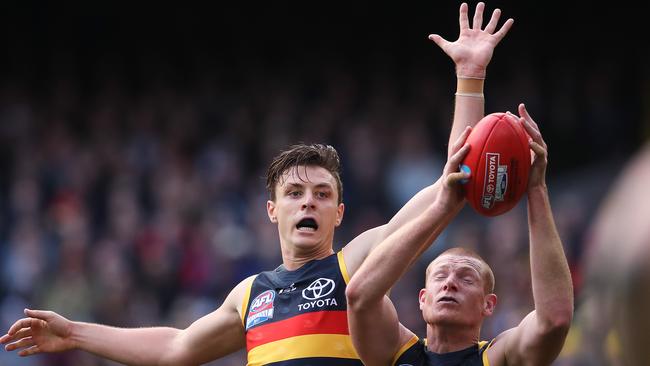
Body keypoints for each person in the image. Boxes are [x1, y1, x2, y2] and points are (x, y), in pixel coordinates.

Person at [1, 2, 513, 365]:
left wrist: (469, 78)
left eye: (322, 194)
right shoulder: (251, 296)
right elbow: (176, 349)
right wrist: (73, 332)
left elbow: (458, 174)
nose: (308, 202)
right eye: (294, 194)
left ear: (339, 212)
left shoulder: (355, 263)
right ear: (272, 210)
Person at [346, 103, 574, 366]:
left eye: (466, 278)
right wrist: (442, 207)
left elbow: (554, 320)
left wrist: (536, 189)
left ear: (488, 305)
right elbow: (359, 296)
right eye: (440, 276)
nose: (450, 283)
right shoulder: (395, 354)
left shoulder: (498, 358)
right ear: (422, 298)